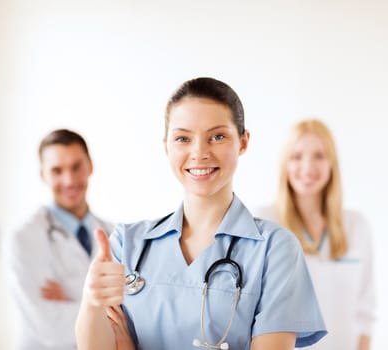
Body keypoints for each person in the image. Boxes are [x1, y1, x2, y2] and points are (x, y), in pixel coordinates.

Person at [75, 77, 328, 350]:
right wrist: (92, 301)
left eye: (217, 136)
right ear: (166, 145)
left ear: (243, 142)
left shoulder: (275, 249)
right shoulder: (127, 243)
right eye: (183, 138)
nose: (199, 153)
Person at [254, 119, 376, 350]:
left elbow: (365, 310)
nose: (308, 167)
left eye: (319, 156)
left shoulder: (357, 225)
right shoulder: (264, 222)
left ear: (332, 164)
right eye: (297, 156)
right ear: (285, 165)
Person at [8, 128, 114, 350]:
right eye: (57, 171)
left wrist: (72, 300)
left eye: (76, 167)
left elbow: (133, 315)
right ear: (43, 175)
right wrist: (103, 306)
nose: (69, 180)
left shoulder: (114, 234)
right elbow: (48, 326)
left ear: (90, 166)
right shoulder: (25, 238)